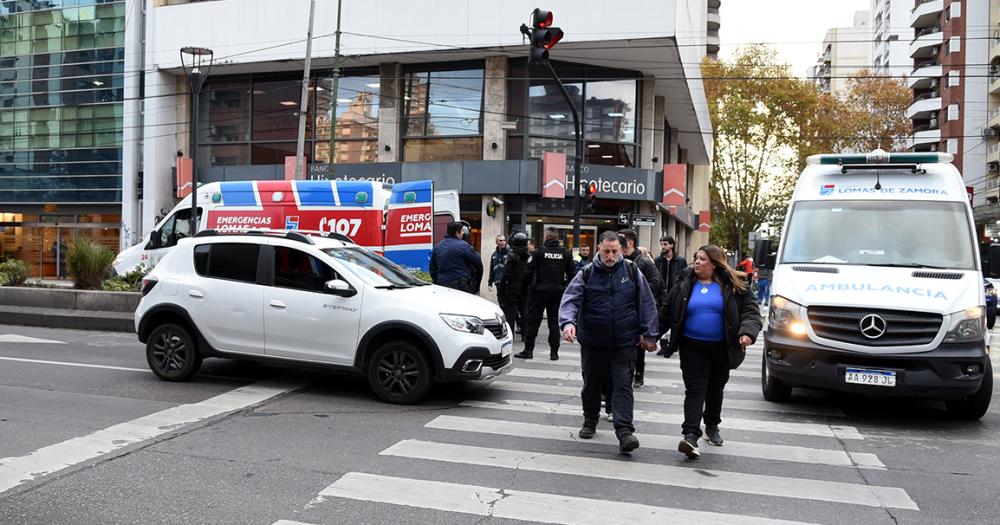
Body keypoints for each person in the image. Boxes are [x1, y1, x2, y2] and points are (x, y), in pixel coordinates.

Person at [558, 231, 659, 454]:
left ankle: (624, 432)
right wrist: (567, 324)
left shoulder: (632, 271)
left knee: (623, 385)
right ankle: (590, 419)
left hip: (624, 341)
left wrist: (650, 334)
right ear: (599, 250)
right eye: (607, 251)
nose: (611, 256)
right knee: (592, 383)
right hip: (594, 341)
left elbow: (646, 303)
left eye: (615, 251)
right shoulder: (586, 272)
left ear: (622, 250)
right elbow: (570, 300)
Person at [662, 245, 762, 459]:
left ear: (715, 263)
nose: (697, 262)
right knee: (695, 389)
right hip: (692, 346)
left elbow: (751, 311)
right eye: (696, 258)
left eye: (703, 259)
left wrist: (747, 333)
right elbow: (668, 310)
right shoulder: (685, 281)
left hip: (722, 348)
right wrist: (650, 335)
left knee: (715, 388)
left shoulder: (736, 284)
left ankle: (712, 425)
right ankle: (690, 435)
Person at [516, 227, 575, 360]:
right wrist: (565, 288)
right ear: (557, 237)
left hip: (539, 292)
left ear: (546, 237)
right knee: (554, 323)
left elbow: (528, 272)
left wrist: (526, 288)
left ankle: (528, 350)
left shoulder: (538, 252)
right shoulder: (565, 253)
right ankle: (554, 353)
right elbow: (572, 274)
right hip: (557, 292)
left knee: (533, 321)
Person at [617, 229, 665, 389]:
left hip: (637, 309)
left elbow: (656, 283)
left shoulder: (644, 262)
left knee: (638, 344)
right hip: (621, 310)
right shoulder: (617, 259)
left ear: (629, 242)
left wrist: (634, 291)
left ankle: (638, 374)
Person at [655, 235, 687, 356]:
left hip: (675, 295)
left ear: (672, 245)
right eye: (662, 244)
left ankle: (673, 344)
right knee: (662, 320)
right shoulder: (658, 261)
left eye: (665, 244)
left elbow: (684, 278)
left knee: (675, 320)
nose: (663, 246)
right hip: (662, 296)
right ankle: (663, 346)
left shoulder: (680, 261)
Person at [429, 221, 483, 294]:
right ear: (457, 232)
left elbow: (432, 269)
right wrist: (476, 286)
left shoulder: (438, 246)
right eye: (462, 231)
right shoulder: (463, 245)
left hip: (442, 286)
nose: (463, 233)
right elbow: (478, 264)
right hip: (460, 286)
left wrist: (438, 282)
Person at [500, 231, 530, 335]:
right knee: (524, 311)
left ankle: (510, 334)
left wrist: (501, 289)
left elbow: (505, 274)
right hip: (525, 287)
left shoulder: (511, 256)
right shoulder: (528, 256)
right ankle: (525, 335)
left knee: (511, 313)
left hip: (512, 287)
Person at [488, 234, 509, 299]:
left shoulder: (510, 253)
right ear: (497, 242)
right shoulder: (494, 255)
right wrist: (490, 283)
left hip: (508, 284)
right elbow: (492, 269)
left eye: (504, 240)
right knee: (501, 302)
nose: (503, 242)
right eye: (500, 241)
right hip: (498, 284)